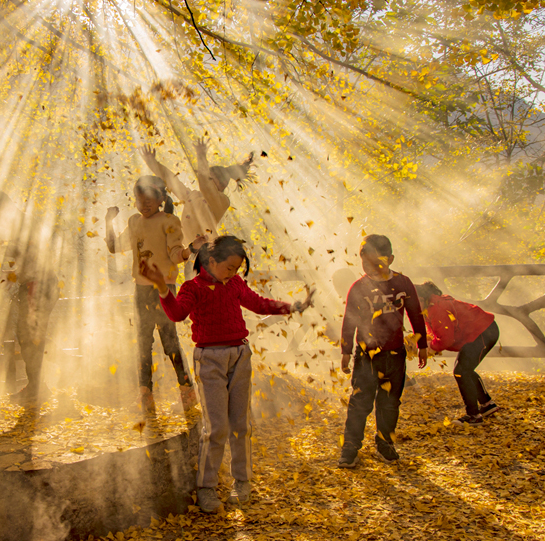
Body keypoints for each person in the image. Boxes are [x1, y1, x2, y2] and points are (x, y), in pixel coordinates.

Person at [141, 235, 314, 513]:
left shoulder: (235, 284)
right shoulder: (192, 288)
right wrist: (163, 288)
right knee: (217, 427)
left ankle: (242, 481)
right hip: (209, 360)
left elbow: (258, 304)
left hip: (240, 356)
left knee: (241, 425)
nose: (234, 273)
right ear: (211, 261)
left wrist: (292, 307)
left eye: (237, 269)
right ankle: (207, 486)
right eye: (230, 267)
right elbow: (176, 314)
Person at [105, 175, 204, 415]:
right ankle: (145, 394)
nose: (144, 204)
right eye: (139, 199)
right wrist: (108, 222)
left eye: (149, 199)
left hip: (164, 290)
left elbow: (174, 254)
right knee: (142, 342)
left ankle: (186, 391)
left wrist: (190, 250)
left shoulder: (169, 221)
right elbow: (114, 247)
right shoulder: (134, 222)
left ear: (161, 198)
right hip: (140, 289)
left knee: (169, 340)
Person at [338, 234, 428, 468]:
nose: (370, 269)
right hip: (366, 355)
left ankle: (385, 442)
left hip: (395, 353)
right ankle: (350, 447)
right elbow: (350, 319)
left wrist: (422, 345)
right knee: (360, 401)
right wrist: (346, 350)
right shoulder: (358, 287)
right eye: (365, 263)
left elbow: (415, 313)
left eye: (376, 263)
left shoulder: (403, 283)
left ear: (390, 259)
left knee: (390, 402)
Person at [0, 193, 60, 405]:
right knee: (26, 337)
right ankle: (36, 386)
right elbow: (25, 259)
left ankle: (37, 388)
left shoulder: (23, 222)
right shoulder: (18, 224)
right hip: (33, 285)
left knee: (30, 337)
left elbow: (26, 252)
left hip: (40, 286)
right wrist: (10, 275)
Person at [139, 141, 254, 278]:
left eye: (211, 179)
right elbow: (172, 182)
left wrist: (201, 155)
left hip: (210, 257)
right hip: (192, 253)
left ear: (223, 184)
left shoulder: (221, 200)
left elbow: (205, 183)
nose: (205, 180)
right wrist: (152, 162)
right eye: (208, 177)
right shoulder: (192, 196)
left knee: (207, 293)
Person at [415, 281, 501, 425]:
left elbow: (446, 339)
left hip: (483, 332)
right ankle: (487, 405)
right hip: (480, 331)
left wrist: (432, 348)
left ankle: (474, 416)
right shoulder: (428, 307)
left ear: (421, 299)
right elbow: (435, 331)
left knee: (462, 371)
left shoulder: (436, 308)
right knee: (464, 369)